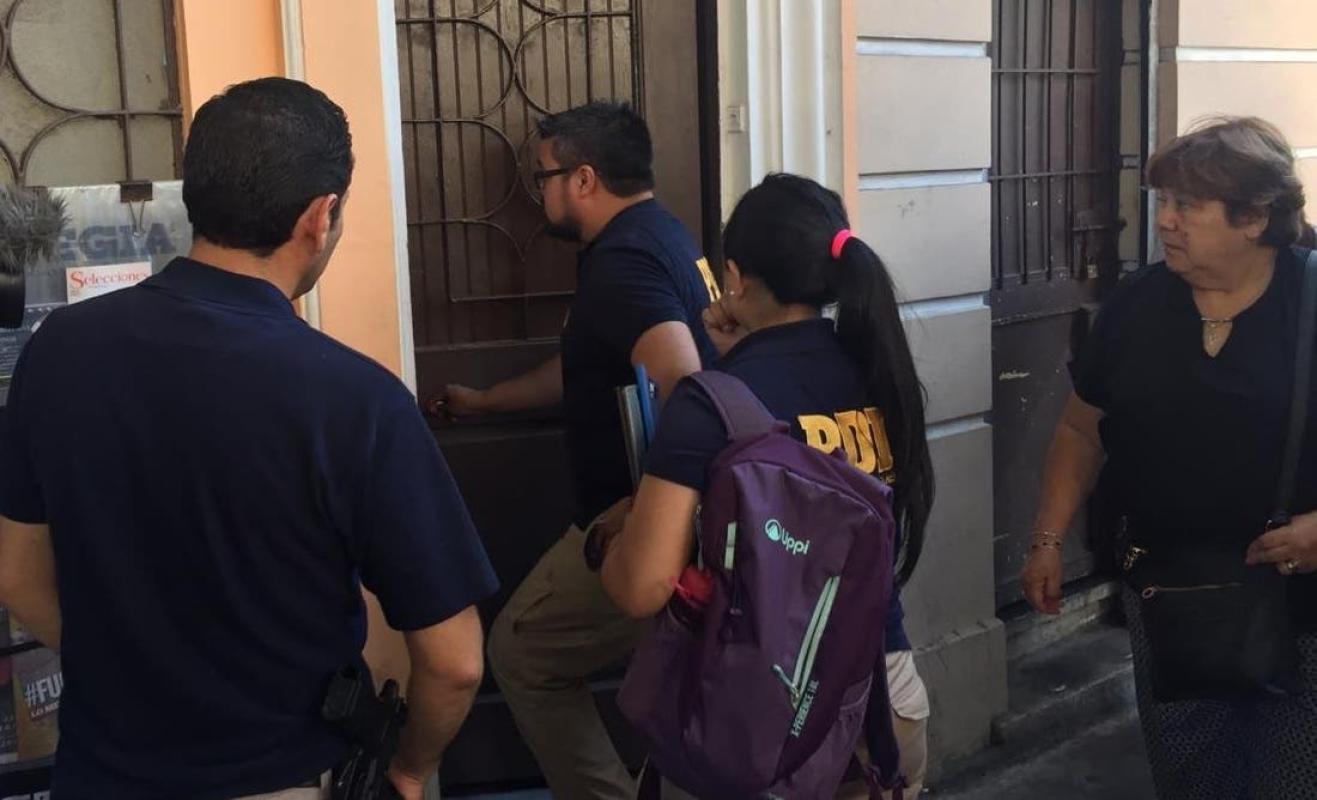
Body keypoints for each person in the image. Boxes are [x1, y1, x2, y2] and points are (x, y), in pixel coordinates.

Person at [0, 78, 498, 800]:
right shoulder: (354, 399)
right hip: (283, 776)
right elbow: (455, 662)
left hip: (100, 774)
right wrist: (409, 771)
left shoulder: (57, 351)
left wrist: (125, 669)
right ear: (320, 217)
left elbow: (16, 575)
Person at [601, 173, 935, 799]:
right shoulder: (878, 367)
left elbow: (641, 587)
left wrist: (607, 543)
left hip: (756, 718)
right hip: (885, 700)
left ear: (733, 278)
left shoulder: (712, 404)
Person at [1020, 116, 1317, 798]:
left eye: (1187, 205)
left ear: (1253, 218)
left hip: (1301, 605)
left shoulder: (1310, 299)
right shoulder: (1137, 304)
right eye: (1163, 201)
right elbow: (1081, 429)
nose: (1165, 221)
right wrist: (1046, 539)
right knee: (1192, 778)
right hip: (1172, 597)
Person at [435, 101, 719, 799]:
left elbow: (682, 378)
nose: (538, 194)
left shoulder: (623, 261)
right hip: (679, 520)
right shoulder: (663, 236)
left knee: (521, 652)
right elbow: (591, 365)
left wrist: (649, 512)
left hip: (635, 521)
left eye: (543, 177)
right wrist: (488, 401)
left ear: (584, 179)